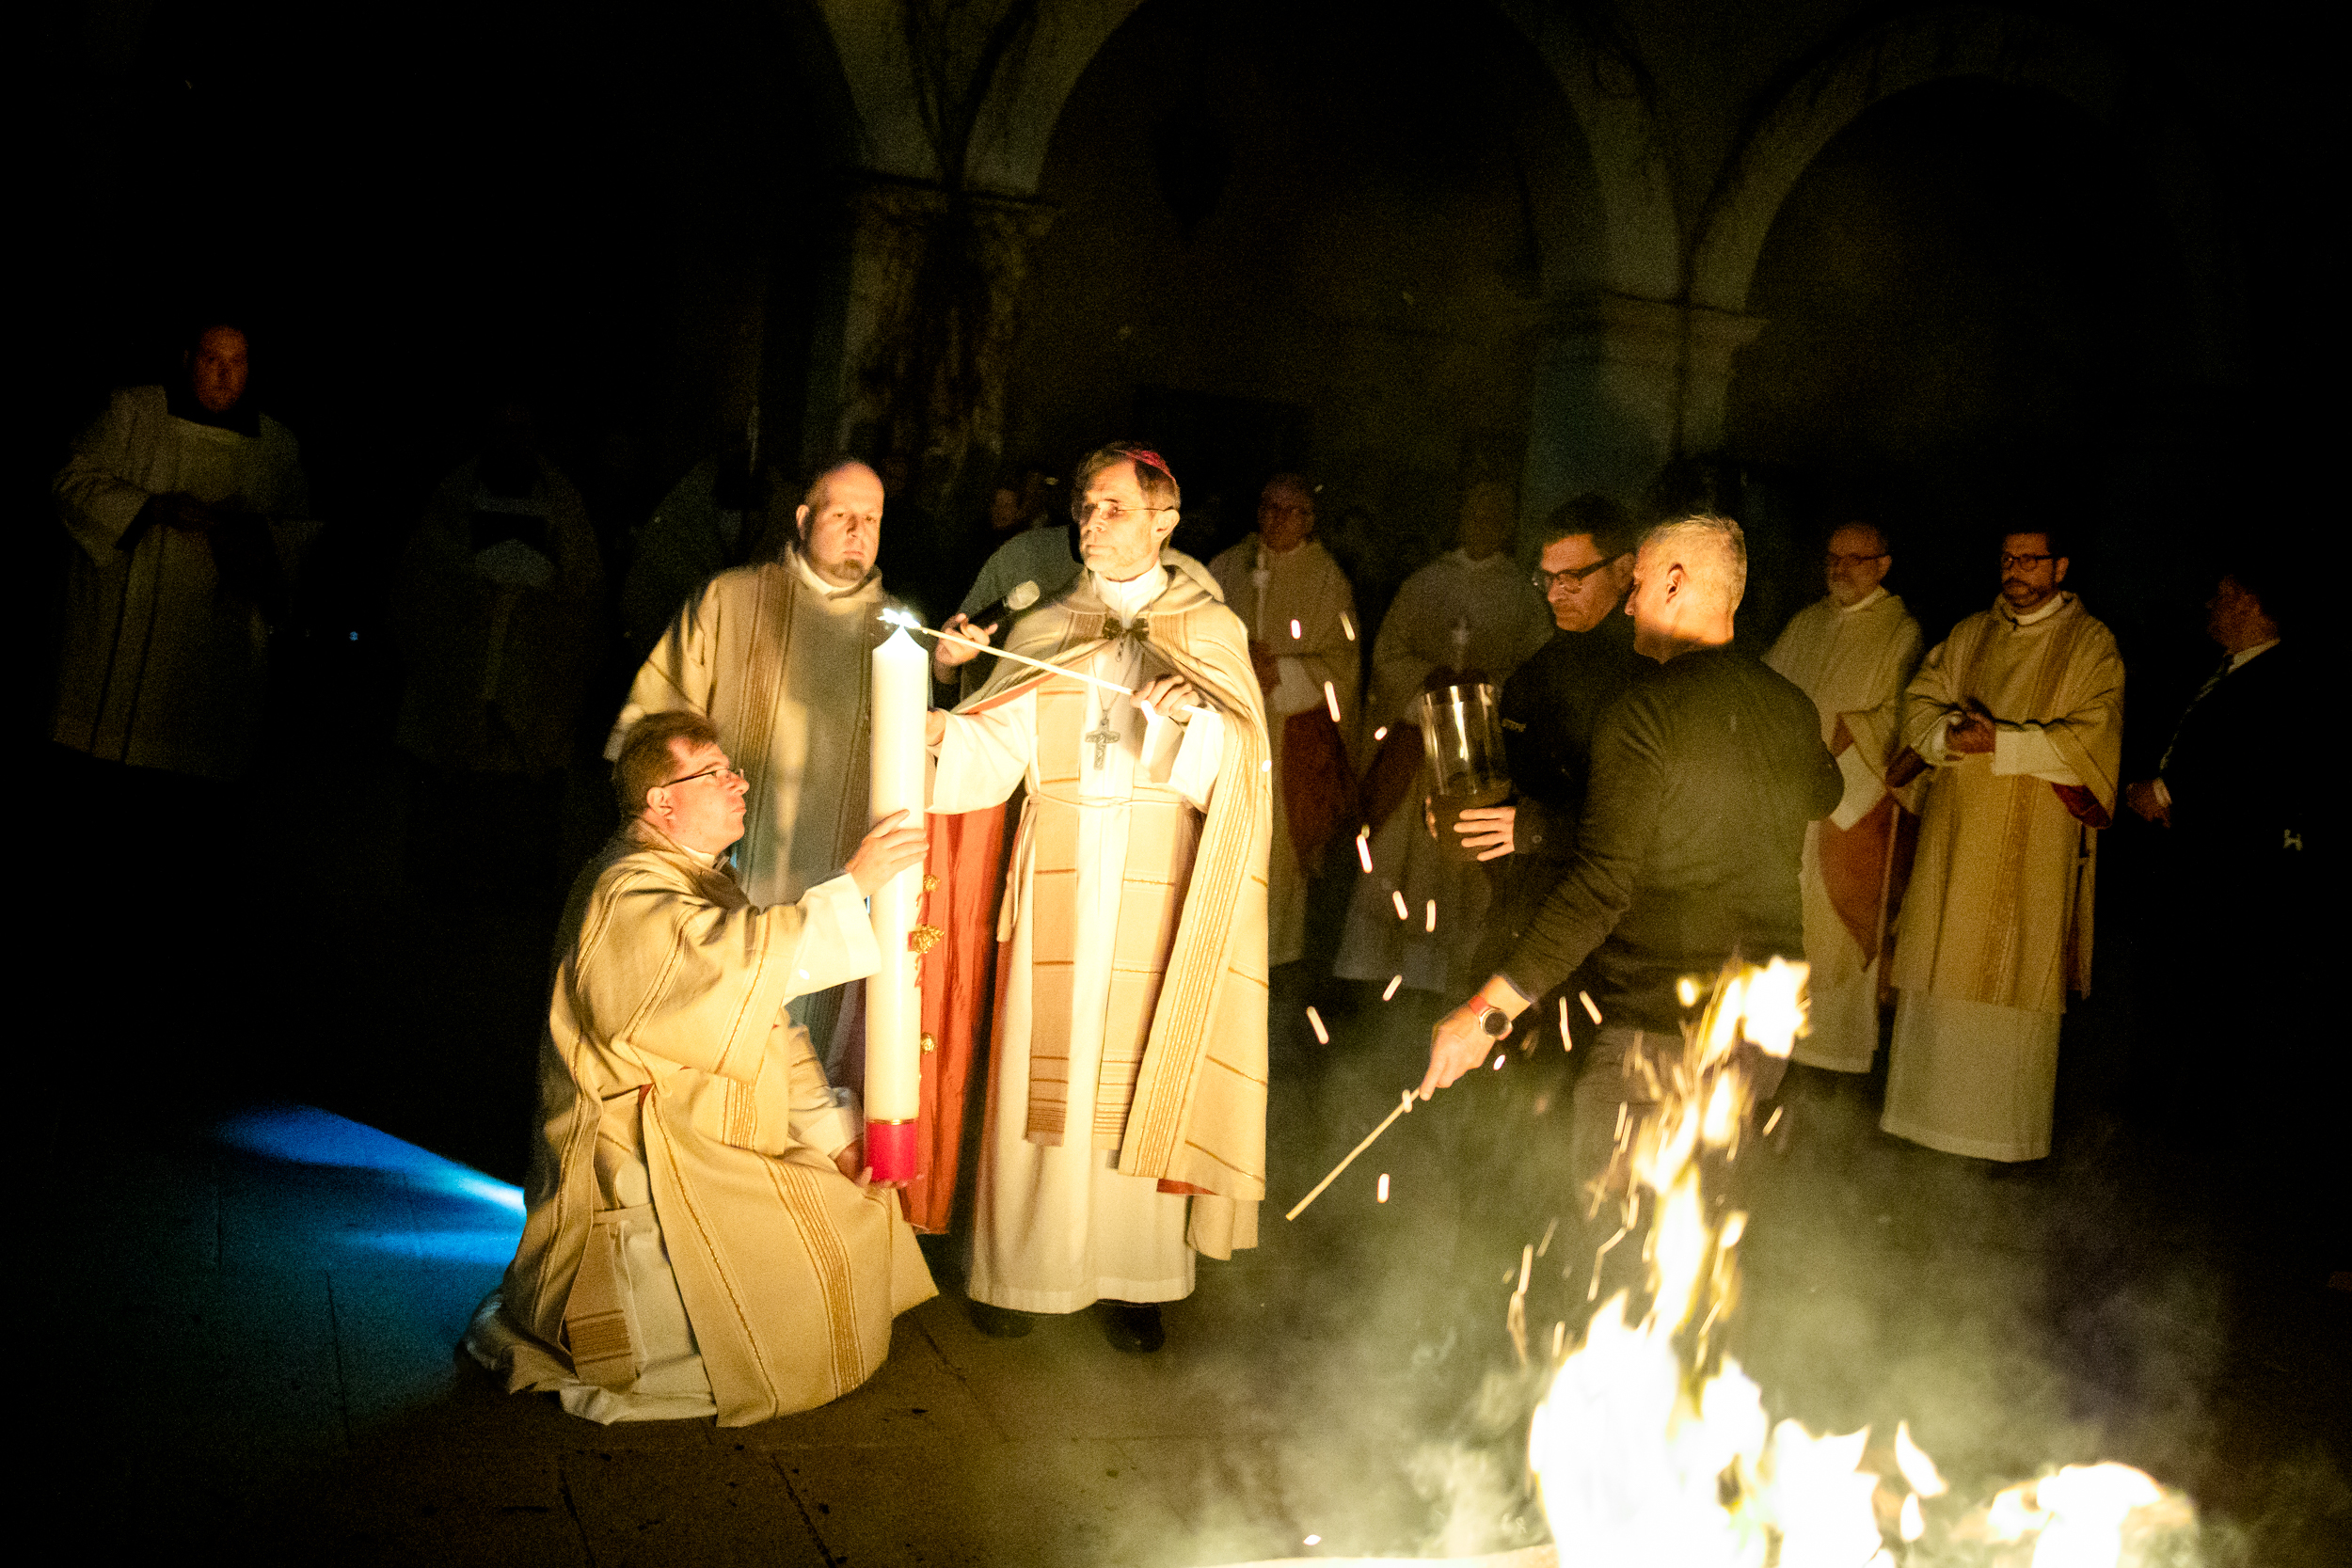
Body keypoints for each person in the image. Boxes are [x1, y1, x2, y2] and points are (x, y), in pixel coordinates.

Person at [467, 710, 936, 1425]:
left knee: (851, 1203)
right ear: (662, 800)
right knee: (806, 1244)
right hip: (640, 1149)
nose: (738, 783)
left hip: (702, 1124)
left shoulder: (703, 882)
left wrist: (831, 1133)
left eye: (733, 769)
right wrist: (851, 885)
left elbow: (769, 1017)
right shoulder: (624, 890)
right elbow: (736, 966)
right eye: (715, 773)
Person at [925, 443, 1272, 1354]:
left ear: (1165, 519)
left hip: (1160, 874)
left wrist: (1190, 722)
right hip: (1058, 867)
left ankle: (1136, 1278)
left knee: (1137, 1072)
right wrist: (941, 730)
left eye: (1113, 507)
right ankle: (1024, 1272)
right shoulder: (1047, 626)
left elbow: (1243, 776)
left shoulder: (1210, 629)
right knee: (1041, 1077)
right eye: (1085, 506)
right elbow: (996, 754)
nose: (1091, 521)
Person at [1420, 515, 1841, 1204]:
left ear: (1675, 583)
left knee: (1622, 1237)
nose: (1628, 604)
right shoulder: (1789, 707)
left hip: (1661, 1024)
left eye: (1638, 585)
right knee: (1702, 1227)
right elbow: (1827, 791)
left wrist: (1485, 1012)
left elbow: (1600, 886)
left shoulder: (1645, 713)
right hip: (1765, 1018)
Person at [609, 458, 896, 1049]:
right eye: (840, 515)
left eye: (870, 519)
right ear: (803, 518)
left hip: (841, 867)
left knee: (809, 1048)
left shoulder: (895, 636)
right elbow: (653, 738)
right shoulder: (730, 600)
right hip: (725, 867)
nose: (856, 531)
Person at [1881, 530, 2124, 1164]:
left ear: (2061, 566)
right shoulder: (1969, 634)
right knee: (1941, 960)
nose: (2014, 570)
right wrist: (1945, 735)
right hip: (1953, 840)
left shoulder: (2091, 645)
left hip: (2033, 848)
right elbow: (1920, 704)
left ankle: (1998, 1148)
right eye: (2007, 559)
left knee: (2015, 978)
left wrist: (2004, 743)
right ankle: (1924, 1136)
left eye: (2030, 560)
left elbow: (2094, 739)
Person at [51, 321, 313, 783]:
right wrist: (149, 507)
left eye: (237, 362)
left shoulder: (277, 446)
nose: (226, 376)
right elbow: (69, 484)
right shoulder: (132, 412)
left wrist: (252, 539)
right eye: (213, 360)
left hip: (218, 660)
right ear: (187, 359)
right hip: (119, 669)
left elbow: (299, 546)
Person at [1333, 480, 1554, 994]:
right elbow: (1388, 657)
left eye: (1494, 516)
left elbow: (1536, 673)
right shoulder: (1424, 583)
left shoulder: (1523, 597)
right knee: (1396, 858)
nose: (1483, 525)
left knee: (1456, 864)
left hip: (1478, 759)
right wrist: (1428, 686)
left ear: (1507, 526)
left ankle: (1440, 978)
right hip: (1415, 752)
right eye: (1475, 514)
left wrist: (1482, 691)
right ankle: (1373, 972)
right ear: (1461, 519)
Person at [2122, 560, 2308, 1105]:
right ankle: (2155, 1091)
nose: (2210, 605)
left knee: (2216, 986)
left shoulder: (2280, 676)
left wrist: (2165, 792)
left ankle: (2201, 1108)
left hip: (2228, 866)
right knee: (2170, 976)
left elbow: (2251, 765)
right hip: (2190, 856)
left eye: (2222, 596)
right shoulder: (2225, 669)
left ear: (2251, 603)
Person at [1454, 495, 1646, 997]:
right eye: (1548, 579)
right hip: (1520, 913)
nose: (1556, 593)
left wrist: (1536, 828)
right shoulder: (1535, 674)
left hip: (1606, 939)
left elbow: (1649, 825)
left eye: (1573, 578)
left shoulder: (1650, 680)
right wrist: (1471, 809)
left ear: (1624, 570)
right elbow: (1509, 787)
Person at [391, 400, 607, 828]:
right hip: (458, 697)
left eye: (521, 429)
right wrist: (476, 586)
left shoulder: (562, 502)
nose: (512, 442)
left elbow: (584, 588)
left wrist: (537, 592)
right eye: (502, 430)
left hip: (531, 706)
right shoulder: (453, 498)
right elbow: (423, 582)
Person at [1760, 522, 1924, 1074]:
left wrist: (1841, 734)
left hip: (1849, 807)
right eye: (1833, 557)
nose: (1840, 568)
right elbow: (1765, 689)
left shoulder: (1900, 631)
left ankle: (1831, 1062)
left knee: (1832, 930)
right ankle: (1770, 1050)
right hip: (1788, 802)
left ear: (1883, 566)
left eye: (1855, 559)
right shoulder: (1806, 622)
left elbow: (1901, 720)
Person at [1209, 474, 1361, 967]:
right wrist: (1235, 658)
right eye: (1269, 507)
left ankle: (1270, 962)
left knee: (1274, 851)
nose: (1277, 519)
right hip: (1227, 728)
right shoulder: (1225, 567)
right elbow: (1194, 636)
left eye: (1291, 511)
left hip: (1288, 741)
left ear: (1309, 520)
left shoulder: (1328, 581)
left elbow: (1344, 664)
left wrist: (1285, 671)